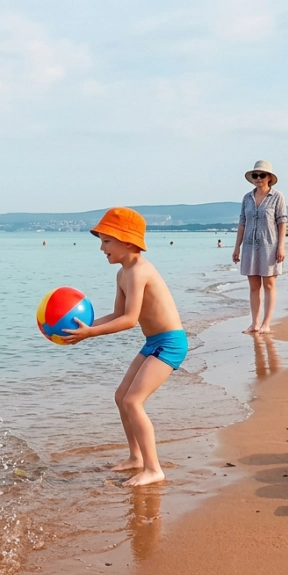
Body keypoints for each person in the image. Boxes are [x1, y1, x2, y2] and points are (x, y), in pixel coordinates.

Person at [63, 207, 185, 487]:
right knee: (121, 397)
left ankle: (154, 469)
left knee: (133, 401)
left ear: (127, 241)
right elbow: (118, 314)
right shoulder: (123, 274)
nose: (101, 248)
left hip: (170, 343)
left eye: (106, 241)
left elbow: (130, 321)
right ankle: (136, 458)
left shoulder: (140, 271)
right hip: (154, 342)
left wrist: (91, 334)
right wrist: (84, 326)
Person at [233, 160, 287, 334]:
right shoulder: (247, 198)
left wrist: (281, 247)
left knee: (269, 284)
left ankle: (266, 323)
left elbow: (282, 223)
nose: (258, 178)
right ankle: (255, 323)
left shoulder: (277, 197)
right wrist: (237, 247)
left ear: (269, 177)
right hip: (249, 246)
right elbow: (242, 222)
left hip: (269, 245)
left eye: (262, 175)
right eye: (255, 175)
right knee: (254, 285)